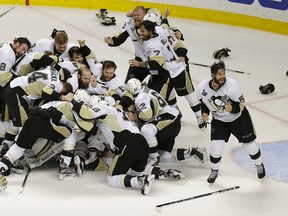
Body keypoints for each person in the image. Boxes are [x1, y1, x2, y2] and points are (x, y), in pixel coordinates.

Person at [70, 94, 185, 195]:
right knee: (134, 172)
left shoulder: (105, 109)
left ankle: (141, 181)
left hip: (129, 144)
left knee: (112, 179)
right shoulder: (118, 113)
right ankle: (164, 173)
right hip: (142, 144)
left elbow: (85, 113)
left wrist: (72, 102)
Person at [196, 61, 266, 184]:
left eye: (224, 73)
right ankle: (214, 171)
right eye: (219, 74)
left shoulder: (232, 85)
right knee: (216, 147)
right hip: (219, 120)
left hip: (238, 118)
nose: (223, 76)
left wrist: (232, 108)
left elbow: (241, 106)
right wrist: (205, 113)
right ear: (212, 75)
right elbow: (204, 103)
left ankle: (259, 165)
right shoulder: (202, 87)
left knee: (250, 145)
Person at [131, 20, 205, 128]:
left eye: (143, 31)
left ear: (151, 31)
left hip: (167, 72)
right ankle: (181, 117)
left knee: (186, 95)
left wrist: (139, 64)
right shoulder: (161, 30)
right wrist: (165, 18)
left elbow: (156, 64)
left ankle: (198, 118)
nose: (140, 33)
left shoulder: (152, 45)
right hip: (177, 67)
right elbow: (169, 28)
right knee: (174, 95)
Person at [121, 78, 207, 166]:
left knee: (146, 130)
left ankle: (153, 158)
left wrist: (135, 116)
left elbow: (147, 116)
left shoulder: (140, 97)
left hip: (169, 120)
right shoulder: (146, 91)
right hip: (172, 121)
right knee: (164, 157)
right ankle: (191, 152)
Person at [104, 6, 150, 82]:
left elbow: (156, 12)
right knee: (128, 86)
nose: (136, 17)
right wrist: (111, 41)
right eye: (134, 15)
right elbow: (119, 39)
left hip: (155, 62)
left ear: (145, 16)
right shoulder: (130, 24)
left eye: (138, 15)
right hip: (139, 60)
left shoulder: (152, 25)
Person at [0, 37, 32, 141]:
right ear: (16, 44)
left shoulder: (8, 46)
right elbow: (1, 78)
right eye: (22, 48)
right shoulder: (7, 54)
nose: (23, 52)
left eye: (25, 51)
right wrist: (16, 78)